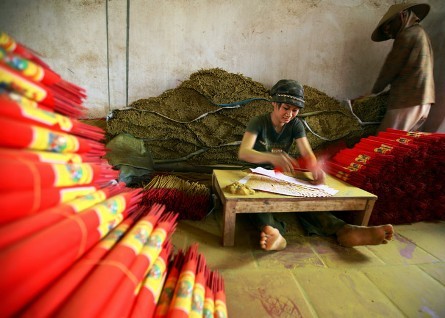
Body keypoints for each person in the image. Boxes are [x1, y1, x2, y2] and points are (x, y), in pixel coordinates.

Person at [238, 79, 394, 251]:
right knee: (258, 202)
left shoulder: (295, 125)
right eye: (286, 108)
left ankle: (343, 229)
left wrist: (315, 168)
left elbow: (307, 153)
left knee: (308, 198)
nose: (289, 114)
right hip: (255, 173)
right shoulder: (258, 122)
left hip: (281, 175)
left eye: (295, 110)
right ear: (274, 104)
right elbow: (243, 152)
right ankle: (274, 232)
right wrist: (271, 157)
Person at [370, 2, 435, 132]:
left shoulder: (406, 35)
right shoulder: (420, 33)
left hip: (408, 99)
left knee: (385, 141)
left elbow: (391, 67)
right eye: (384, 29)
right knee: (403, 144)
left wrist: (373, 92)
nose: (387, 30)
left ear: (403, 15)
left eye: (390, 24)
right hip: (424, 100)